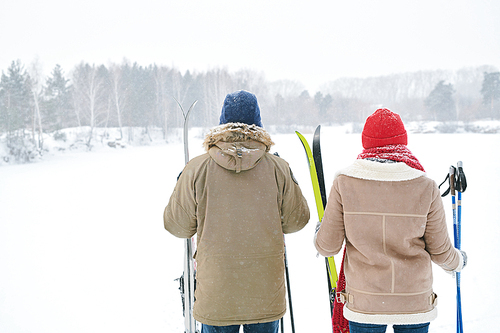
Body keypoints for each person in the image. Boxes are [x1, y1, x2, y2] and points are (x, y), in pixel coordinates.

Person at [164, 90, 310, 333]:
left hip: (216, 294)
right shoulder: (278, 168)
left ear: (222, 122)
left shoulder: (197, 168)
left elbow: (177, 225)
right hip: (265, 294)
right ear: (259, 123)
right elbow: (296, 221)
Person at [314, 108, 467, 333]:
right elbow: (441, 252)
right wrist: (459, 261)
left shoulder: (344, 183)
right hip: (413, 302)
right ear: (402, 141)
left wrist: (321, 231)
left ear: (365, 142)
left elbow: (327, 247)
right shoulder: (426, 186)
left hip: (365, 304)